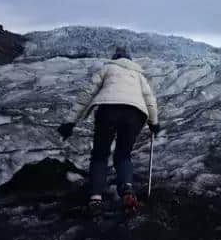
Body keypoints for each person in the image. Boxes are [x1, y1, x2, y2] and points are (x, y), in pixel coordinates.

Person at [57, 46, 159, 215]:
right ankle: (127, 190)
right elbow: (150, 100)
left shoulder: (107, 69)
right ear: (130, 60)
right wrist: (154, 123)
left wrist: (70, 122)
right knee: (123, 155)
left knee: (100, 154)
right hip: (135, 115)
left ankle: (96, 198)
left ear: (115, 58)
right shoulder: (138, 75)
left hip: (108, 111)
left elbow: (87, 94)